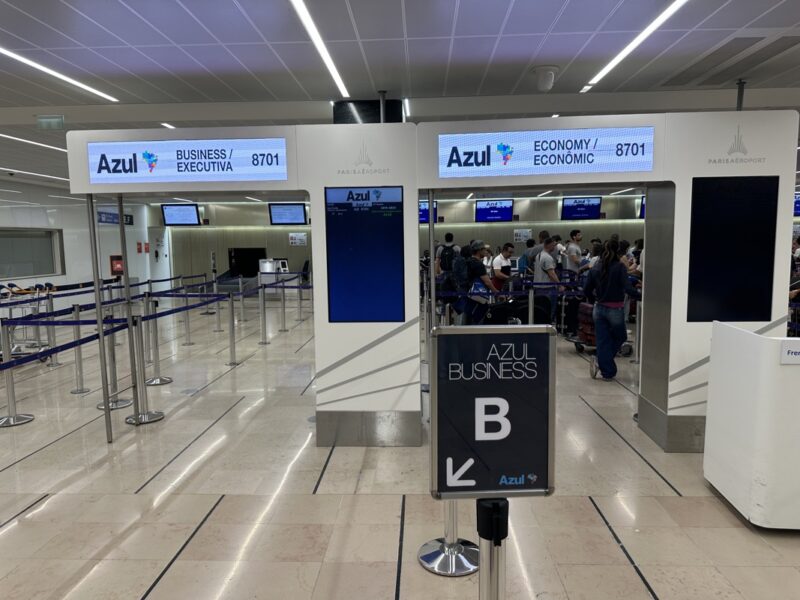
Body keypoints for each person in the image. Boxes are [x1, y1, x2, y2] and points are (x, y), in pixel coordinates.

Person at [584, 240, 642, 381]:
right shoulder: (619, 268)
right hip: (615, 309)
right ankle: (603, 363)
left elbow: (586, 289)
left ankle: (606, 369)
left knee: (602, 340)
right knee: (620, 337)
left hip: (598, 308)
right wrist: (642, 295)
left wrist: (593, 301)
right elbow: (628, 288)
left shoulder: (595, 268)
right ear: (619, 252)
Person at [464, 239, 500, 324]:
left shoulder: (468, 261)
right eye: (484, 249)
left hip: (468, 294)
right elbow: (487, 282)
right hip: (478, 297)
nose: (486, 251)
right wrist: (496, 292)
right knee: (479, 320)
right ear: (479, 250)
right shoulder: (478, 264)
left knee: (469, 320)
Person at [533, 237, 562, 321]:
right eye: (553, 245)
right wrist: (559, 285)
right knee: (550, 310)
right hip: (547, 288)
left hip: (538, 288)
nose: (554, 247)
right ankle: (549, 327)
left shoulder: (538, 255)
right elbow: (552, 274)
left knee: (540, 310)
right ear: (548, 245)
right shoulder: (548, 258)